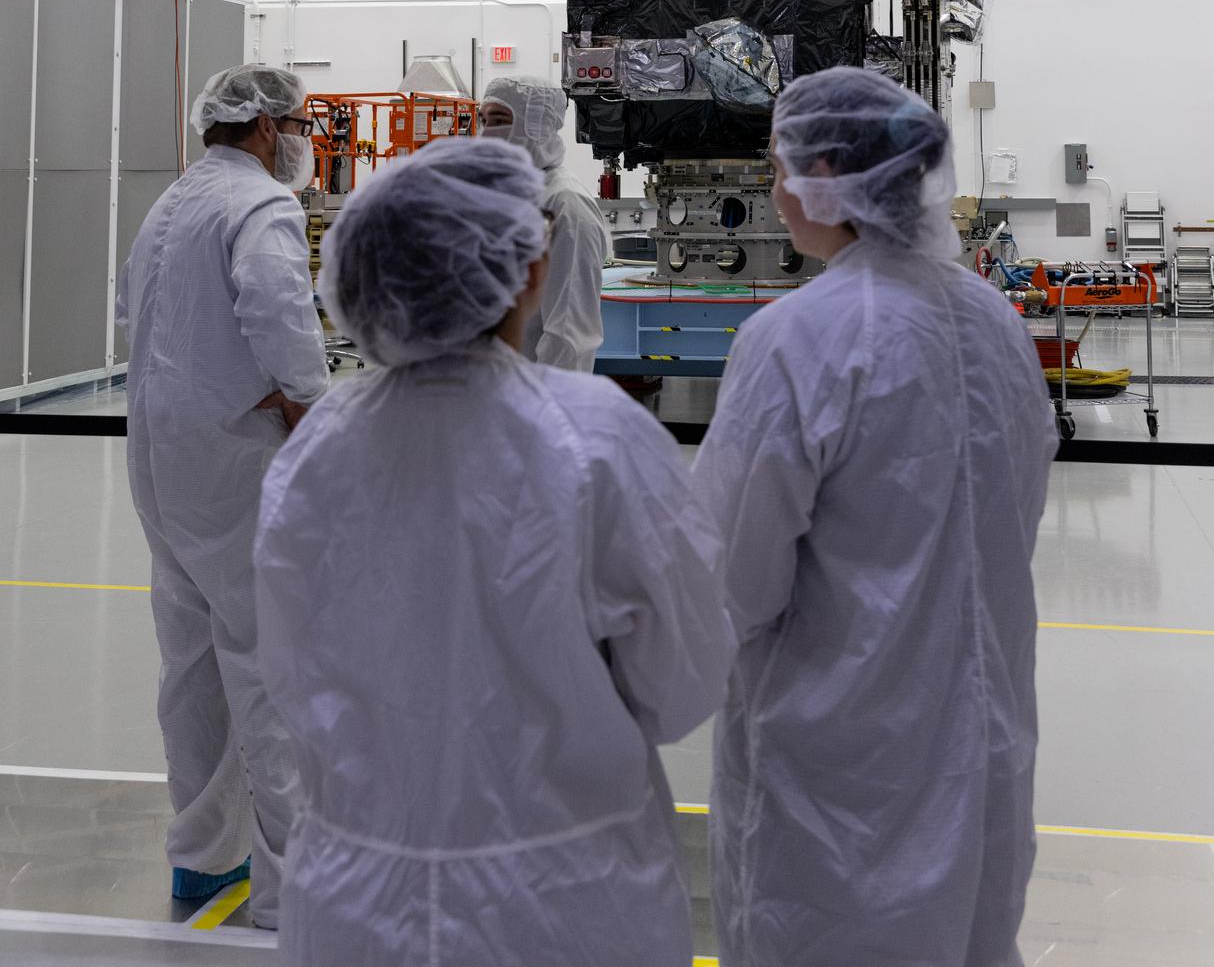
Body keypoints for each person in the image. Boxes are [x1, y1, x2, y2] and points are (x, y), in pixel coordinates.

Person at [253, 137, 733, 967]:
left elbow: (292, 667)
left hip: (354, 901)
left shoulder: (317, 450)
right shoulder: (597, 438)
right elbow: (684, 680)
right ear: (529, 272)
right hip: (562, 903)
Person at [694, 67, 1057, 967]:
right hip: (983, 741)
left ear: (825, 175)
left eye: (777, 167)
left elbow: (732, 580)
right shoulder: (994, 321)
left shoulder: (798, 337)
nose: (774, 190)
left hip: (840, 766)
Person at [119, 63, 329, 928]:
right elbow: (279, 310)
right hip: (235, 457)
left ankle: (203, 858)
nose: (302, 142)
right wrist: (308, 402)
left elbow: (131, 313)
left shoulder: (171, 204)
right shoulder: (260, 204)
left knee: (192, 660)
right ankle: (292, 884)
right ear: (266, 127)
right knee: (267, 655)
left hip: (160, 455)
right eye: (299, 125)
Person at [477, 74, 609, 370]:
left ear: (535, 124)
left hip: (529, 387)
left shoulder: (566, 205)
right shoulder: (506, 194)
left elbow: (568, 335)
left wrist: (545, 397)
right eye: (484, 121)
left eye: (499, 120)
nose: (486, 134)